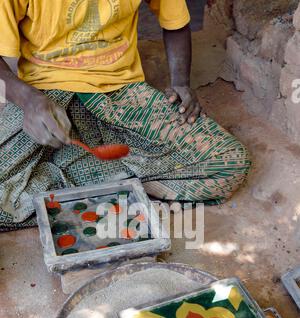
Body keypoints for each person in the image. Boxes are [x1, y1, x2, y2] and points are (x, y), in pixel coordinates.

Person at [0, 0, 250, 230]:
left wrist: (181, 83)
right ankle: (120, 184)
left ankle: (60, 187)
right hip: (44, 95)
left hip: (121, 92)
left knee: (228, 162)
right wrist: (28, 99)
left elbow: (175, 21)